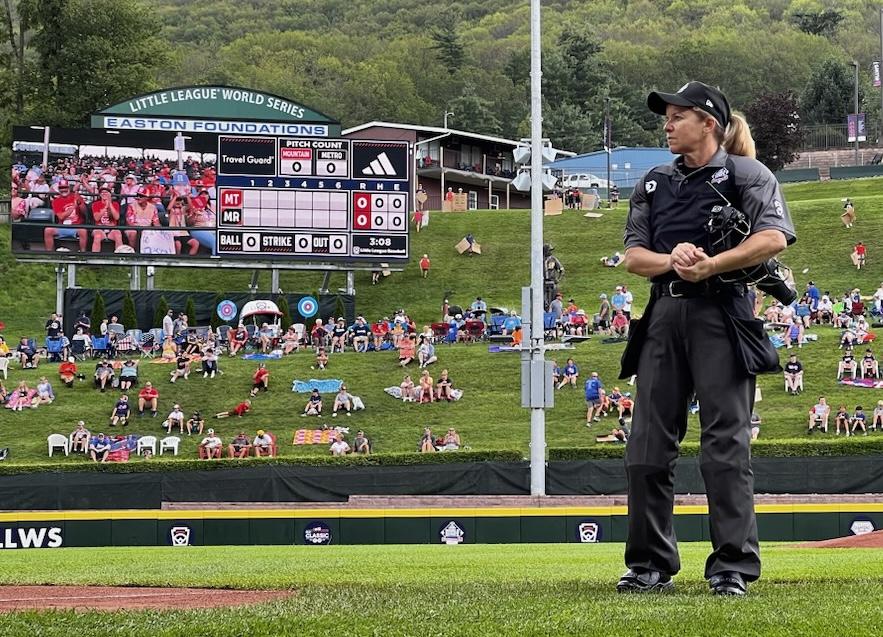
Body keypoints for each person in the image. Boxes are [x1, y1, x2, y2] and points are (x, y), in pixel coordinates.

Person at [617, 81, 795, 597]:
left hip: (724, 312)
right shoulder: (653, 182)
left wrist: (712, 264)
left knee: (725, 448)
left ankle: (731, 567)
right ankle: (649, 564)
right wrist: (672, 259)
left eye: (677, 117)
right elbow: (633, 256)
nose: (668, 125)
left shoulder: (747, 174)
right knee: (646, 448)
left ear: (708, 123)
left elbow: (773, 237)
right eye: (666, 118)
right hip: (664, 313)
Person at [90, 186, 123, 252]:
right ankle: (95, 256)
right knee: (97, 236)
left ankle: (120, 255)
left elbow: (117, 217)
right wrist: (105, 207)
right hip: (99, 228)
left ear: (110, 194)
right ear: (100, 195)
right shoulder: (95, 204)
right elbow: (96, 218)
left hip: (112, 228)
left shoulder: (115, 204)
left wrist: (110, 204)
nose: (104, 194)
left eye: (106, 192)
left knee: (118, 235)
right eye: (102, 192)